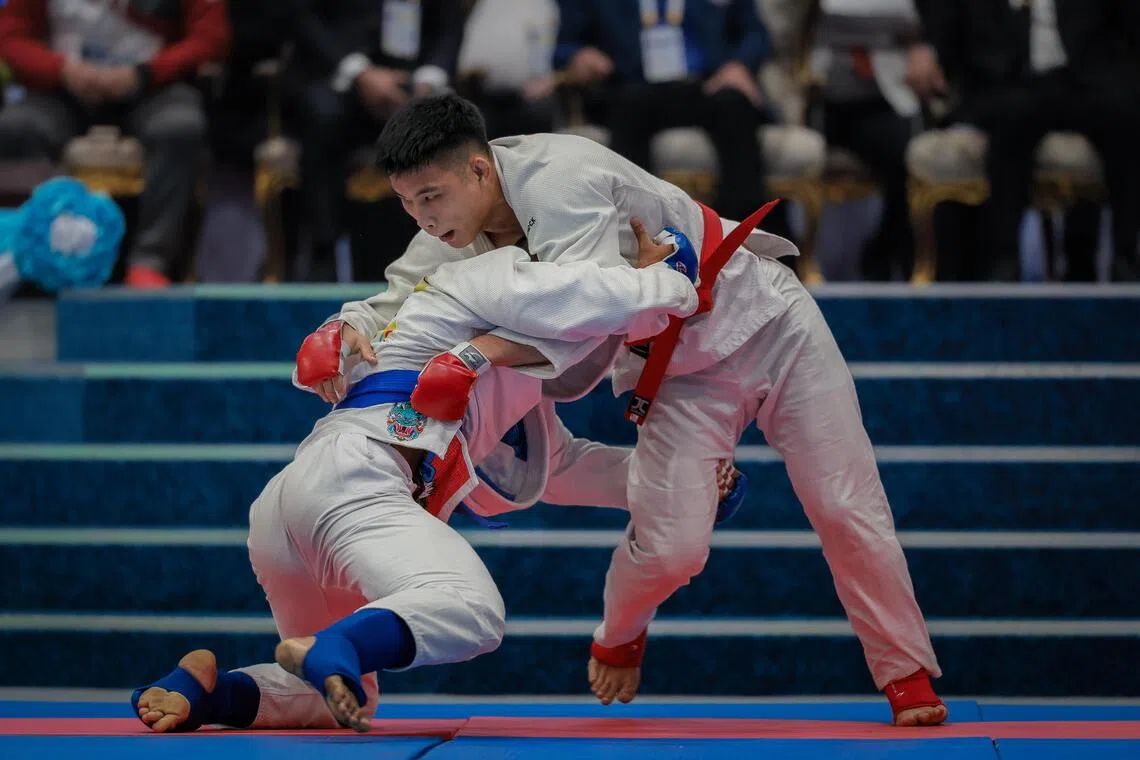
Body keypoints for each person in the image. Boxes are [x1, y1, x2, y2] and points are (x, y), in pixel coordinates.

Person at [370, 93, 946, 726]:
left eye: (430, 196)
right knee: (673, 551)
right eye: (406, 203)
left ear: (479, 168)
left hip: (769, 316)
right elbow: (398, 292)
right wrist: (342, 331)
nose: (422, 217)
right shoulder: (452, 231)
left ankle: (906, 673)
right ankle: (619, 632)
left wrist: (477, 354)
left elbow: (583, 315)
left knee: (845, 502)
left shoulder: (559, 178)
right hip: (678, 372)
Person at [131, 219, 744, 734]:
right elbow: (609, 299)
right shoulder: (496, 275)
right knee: (468, 610)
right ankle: (333, 644)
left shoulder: (522, 373)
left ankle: (208, 694)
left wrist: (688, 481)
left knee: (347, 694)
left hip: (298, 504)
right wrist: (674, 279)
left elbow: (564, 469)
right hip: (360, 479)